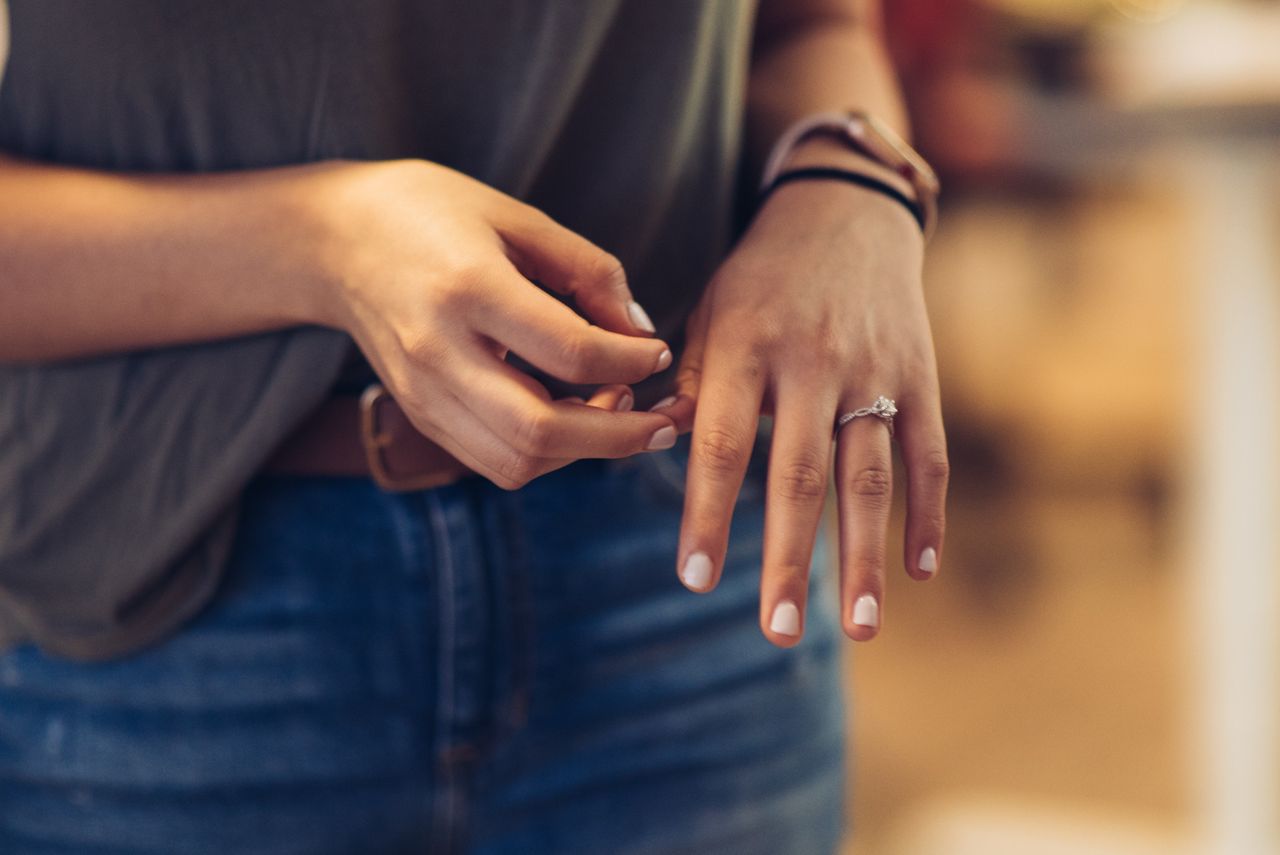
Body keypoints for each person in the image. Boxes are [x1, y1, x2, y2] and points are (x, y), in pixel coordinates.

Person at [0, 0, 948, 852]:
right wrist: (321, 241)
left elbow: (809, 24)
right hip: (151, 613)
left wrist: (854, 183)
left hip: (683, 589)